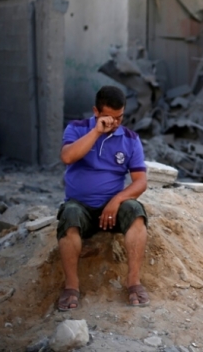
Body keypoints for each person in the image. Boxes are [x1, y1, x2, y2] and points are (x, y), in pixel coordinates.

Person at [56, 85, 150, 311]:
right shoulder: (77, 129)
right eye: (109, 117)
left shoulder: (130, 139)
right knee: (69, 215)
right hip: (80, 207)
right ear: (96, 111)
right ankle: (72, 286)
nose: (115, 123)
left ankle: (133, 282)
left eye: (120, 117)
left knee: (136, 212)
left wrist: (116, 201)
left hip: (112, 210)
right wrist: (96, 131)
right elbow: (67, 157)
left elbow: (141, 181)